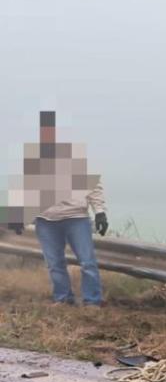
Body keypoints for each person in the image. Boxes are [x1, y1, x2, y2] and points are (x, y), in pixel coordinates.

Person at [4, 111, 109, 305]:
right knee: (54, 264)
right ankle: (63, 300)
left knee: (87, 262)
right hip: (46, 221)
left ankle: (92, 302)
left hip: (76, 218)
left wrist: (100, 212)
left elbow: (93, 185)